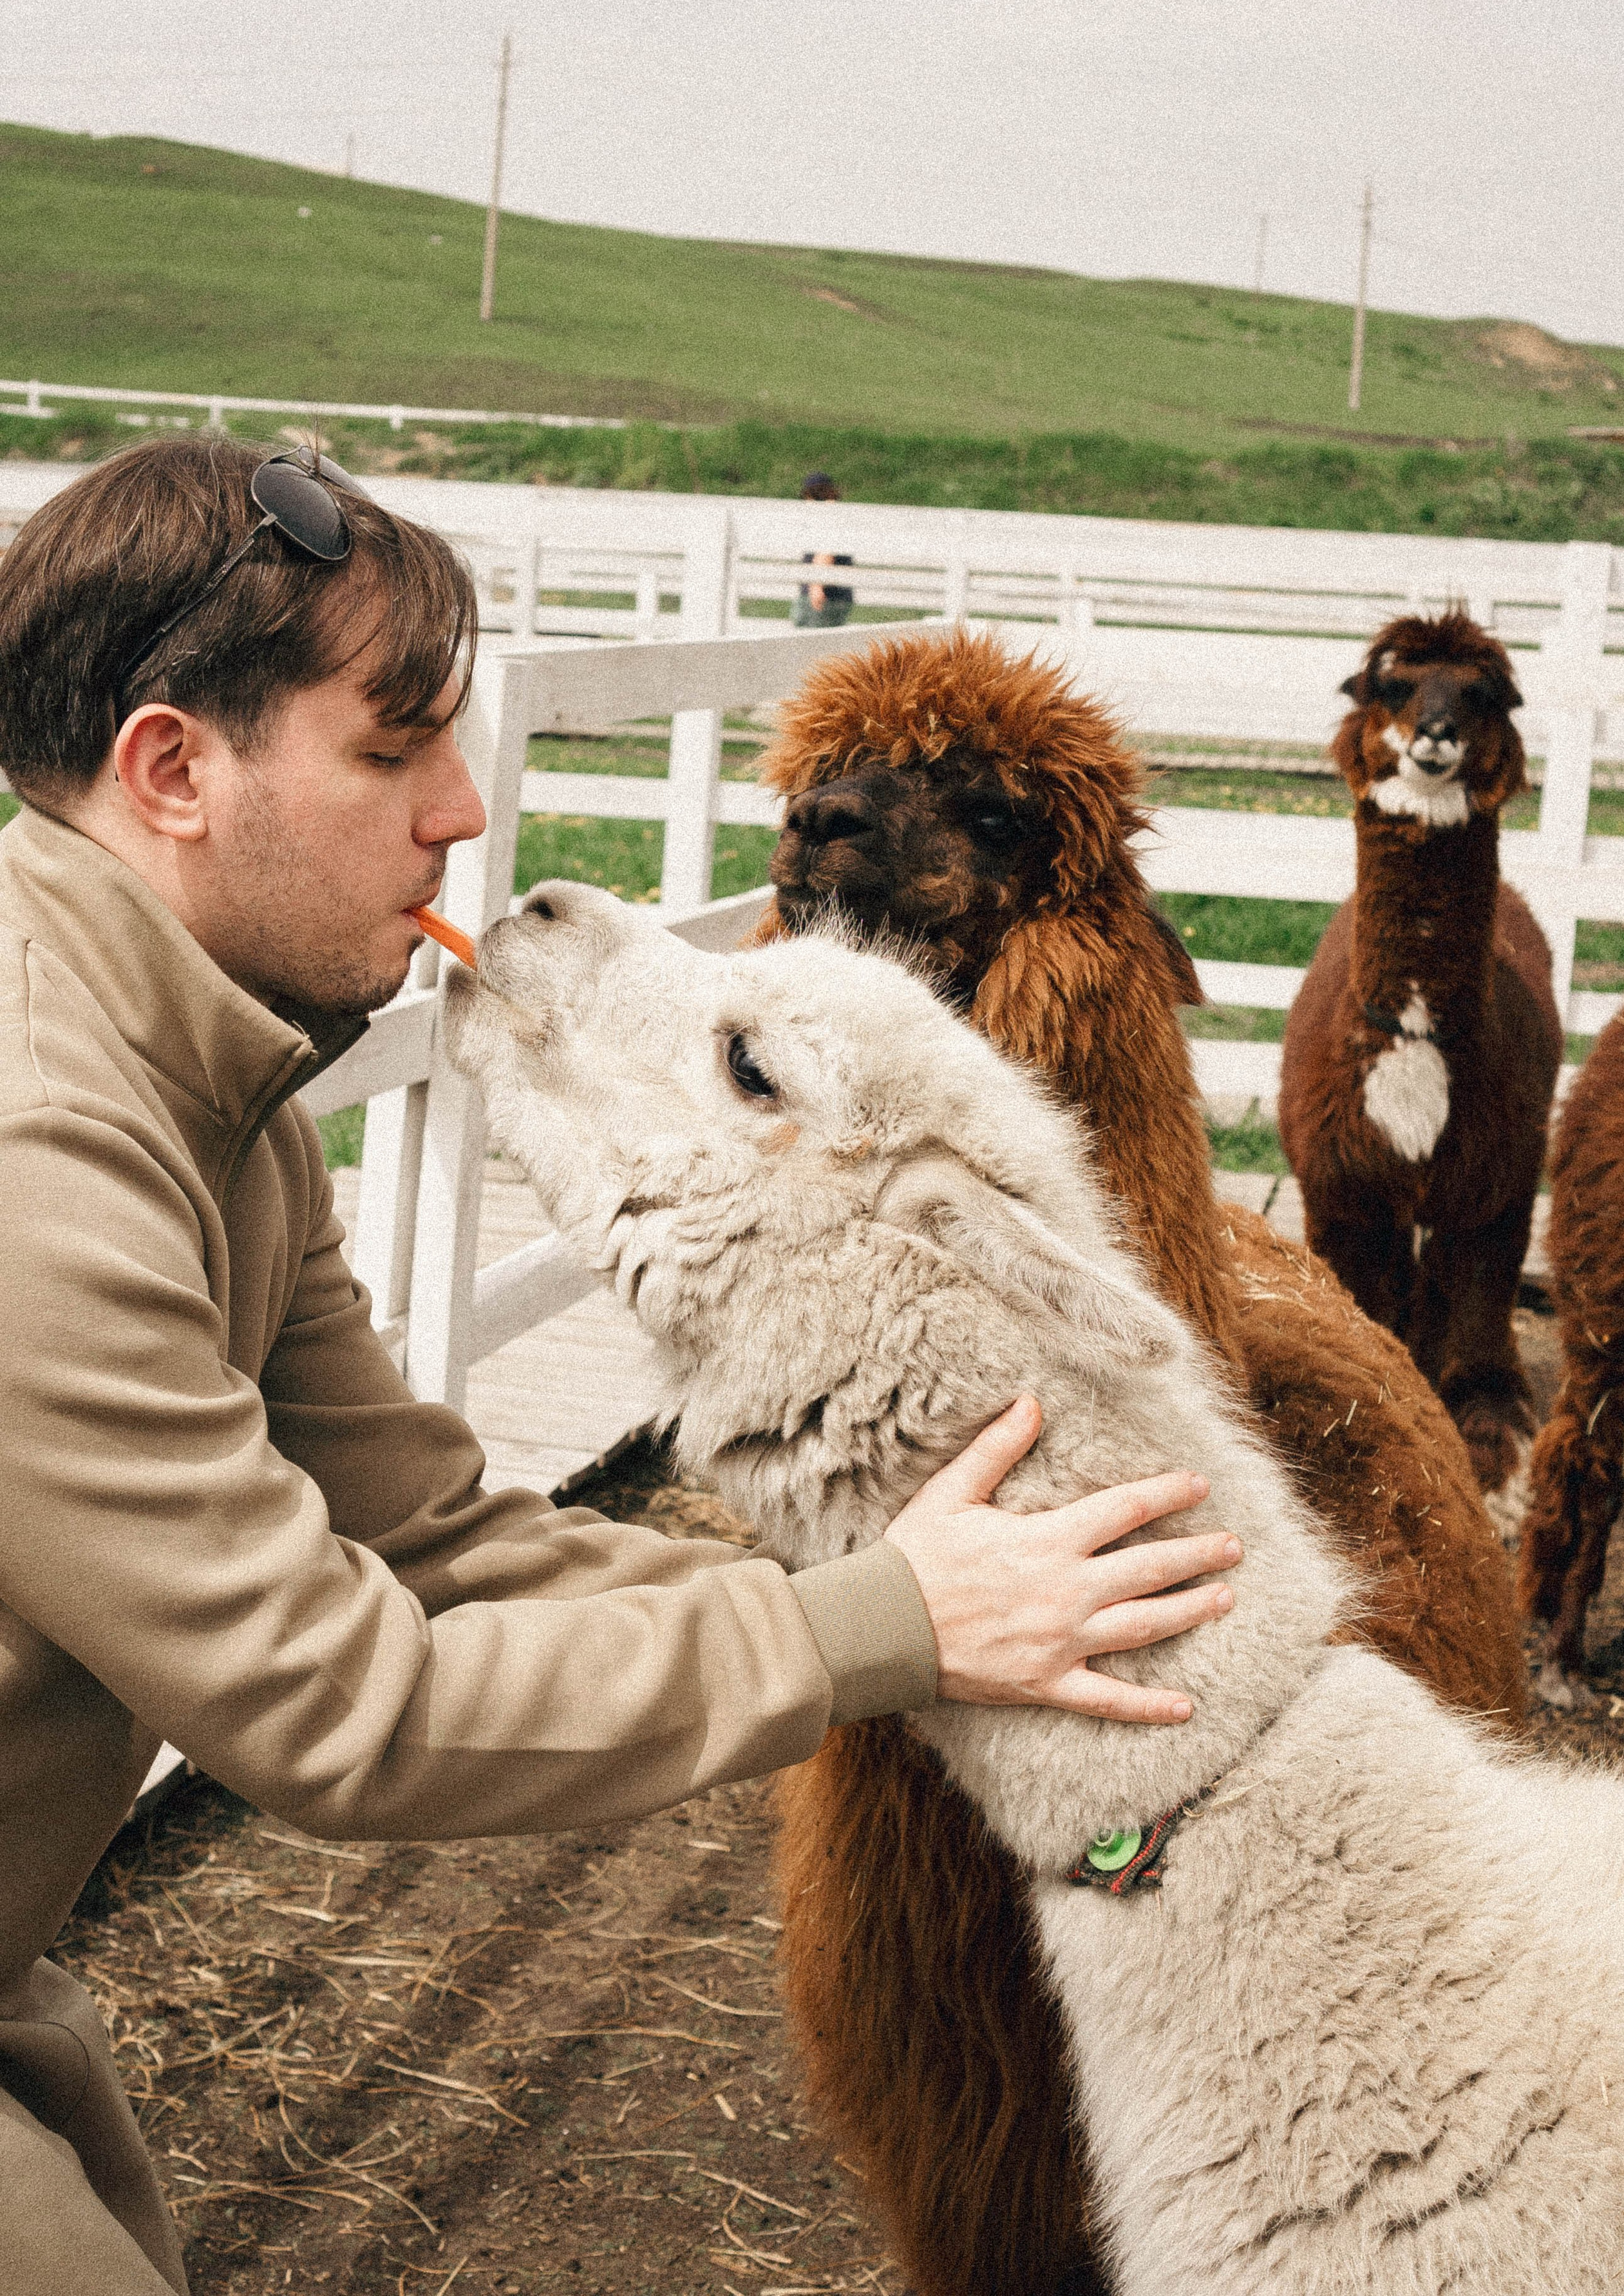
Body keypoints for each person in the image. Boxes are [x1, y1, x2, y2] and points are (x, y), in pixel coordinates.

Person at [0, 437, 1242, 2295]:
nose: (462, 809)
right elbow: (341, 1704)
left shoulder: (222, 1108)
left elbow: (436, 1538)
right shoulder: (44, 1162)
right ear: (174, 769)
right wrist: (878, 1632)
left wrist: (926, 1632)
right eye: (394, 745)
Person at [792, 469, 854, 626]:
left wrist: (816, 586)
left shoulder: (828, 518)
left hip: (824, 596)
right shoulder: (838, 518)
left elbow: (825, 551)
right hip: (837, 596)